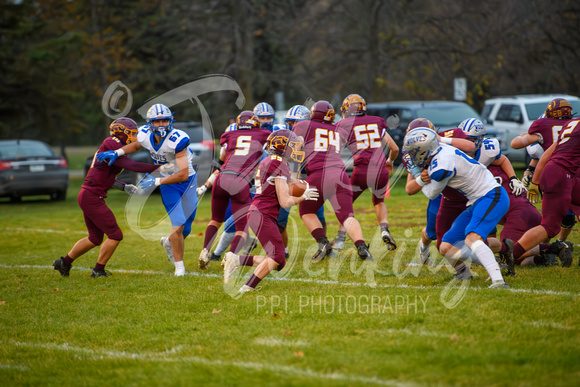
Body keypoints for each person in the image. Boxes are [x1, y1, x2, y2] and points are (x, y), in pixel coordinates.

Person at [97, 104, 198, 276]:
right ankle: (179, 267)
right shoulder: (143, 133)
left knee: (186, 228)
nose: (161, 125)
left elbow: (182, 174)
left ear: (171, 120)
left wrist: (156, 181)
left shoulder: (178, 139)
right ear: (150, 123)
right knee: (178, 224)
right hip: (168, 184)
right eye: (157, 121)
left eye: (164, 120)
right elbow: (135, 146)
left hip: (187, 181)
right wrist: (118, 152)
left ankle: (168, 242)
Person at [403, 127, 510, 289]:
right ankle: (492, 263)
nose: (411, 156)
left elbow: (432, 193)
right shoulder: (439, 150)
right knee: (446, 247)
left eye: (413, 152)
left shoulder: (440, 165)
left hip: (491, 195)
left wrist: (419, 178)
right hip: (477, 201)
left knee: (472, 238)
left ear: (424, 151)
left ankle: (499, 281)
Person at [52, 118, 160, 278]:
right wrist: (161, 168)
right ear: (120, 132)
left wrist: (123, 186)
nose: (133, 137)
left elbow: (102, 176)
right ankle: (98, 270)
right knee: (115, 235)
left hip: (89, 195)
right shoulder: (112, 143)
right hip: (92, 197)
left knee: (95, 238)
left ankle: (64, 263)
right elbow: (134, 166)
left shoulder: (115, 146)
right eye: (131, 133)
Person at [223, 129, 319, 293]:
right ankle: (247, 288)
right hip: (262, 214)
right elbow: (285, 201)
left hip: (260, 213)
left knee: (279, 262)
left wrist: (301, 184)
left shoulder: (272, 161)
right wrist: (304, 197)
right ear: (283, 146)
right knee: (276, 257)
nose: (295, 149)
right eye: (292, 146)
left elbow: (284, 185)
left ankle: (236, 260)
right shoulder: (278, 164)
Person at [293, 100, 372, 261]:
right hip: (340, 175)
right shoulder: (338, 129)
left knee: (306, 211)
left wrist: (295, 173)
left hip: (319, 174)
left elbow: (297, 147)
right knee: (346, 215)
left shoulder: (304, 125)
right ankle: (361, 246)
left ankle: (323, 243)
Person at [198, 110, 271, 269]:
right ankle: (230, 258)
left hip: (222, 178)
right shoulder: (264, 134)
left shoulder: (230, 135)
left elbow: (222, 158)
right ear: (255, 123)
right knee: (242, 228)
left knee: (215, 219)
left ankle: (205, 251)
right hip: (240, 180)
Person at [403, 118, 476, 264]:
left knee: (477, 225)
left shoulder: (445, 137)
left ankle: (488, 256)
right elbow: (409, 189)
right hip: (442, 194)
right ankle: (423, 249)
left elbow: (471, 146)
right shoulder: (411, 154)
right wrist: (421, 179)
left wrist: (442, 140)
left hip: (469, 188)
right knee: (433, 232)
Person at [333, 94, 399, 251]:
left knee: (345, 205)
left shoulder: (343, 125)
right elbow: (394, 148)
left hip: (361, 170)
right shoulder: (376, 121)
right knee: (379, 201)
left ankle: (340, 240)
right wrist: (389, 162)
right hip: (381, 170)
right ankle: (384, 230)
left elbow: (334, 150)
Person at [512, 118, 580, 267]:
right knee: (549, 226)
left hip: (556, 171)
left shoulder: (571, 123)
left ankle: (510, 256)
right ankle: (510, 257)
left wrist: (535, 182)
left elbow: (546, 154)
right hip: (563, 174)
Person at [510, 98, 576, 243]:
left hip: (554, 173)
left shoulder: (543, 125)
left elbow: (516, 145)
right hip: (574, 172)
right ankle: (561, 242)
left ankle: (547, 249)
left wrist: (523, 136)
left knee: (549, 217)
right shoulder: (574, 124)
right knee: (570, 213)